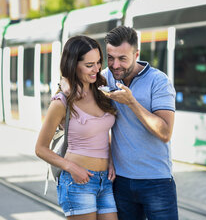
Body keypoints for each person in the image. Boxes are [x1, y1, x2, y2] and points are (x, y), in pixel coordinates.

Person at [35, 35, 118, 220]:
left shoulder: (102, 92)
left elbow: (103, 133)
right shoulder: (61, 102)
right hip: (77, 182)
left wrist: (111, 160)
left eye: (98, 62)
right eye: (89, 65)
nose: (97, 69)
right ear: (73, 65)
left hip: (106, 181)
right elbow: (40, 149)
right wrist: (71, 167)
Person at [102, 26, 178, 220]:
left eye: (122, 58)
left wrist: (132, 102)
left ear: (136, 54)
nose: (115, 65)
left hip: (156, 182)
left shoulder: (158, 81)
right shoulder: (105, 77)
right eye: (110, 57)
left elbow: (165, 132)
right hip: (121, 182)